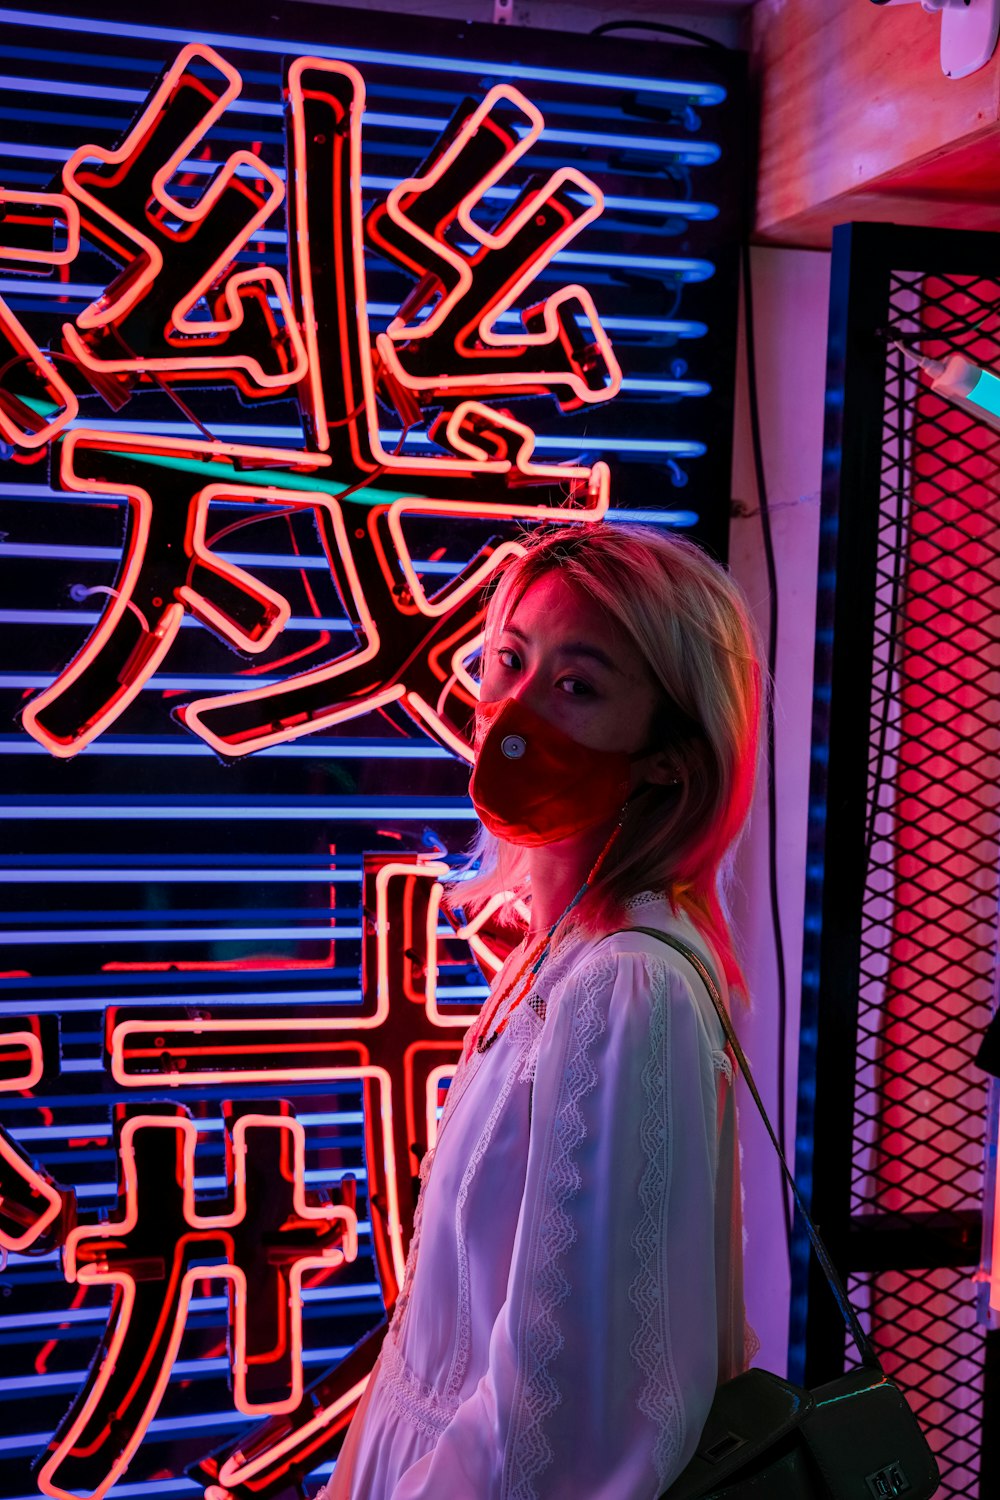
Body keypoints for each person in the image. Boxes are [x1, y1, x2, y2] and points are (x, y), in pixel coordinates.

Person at [320, 521, 764, 1500]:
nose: (512, 712)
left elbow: (573, 1417)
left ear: (668, 756)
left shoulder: (624, 986)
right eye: (510, 661)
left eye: (578, 686)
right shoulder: (556, 958)